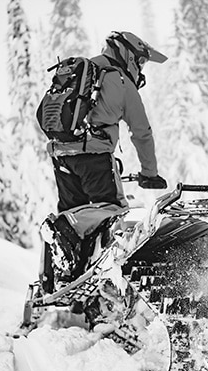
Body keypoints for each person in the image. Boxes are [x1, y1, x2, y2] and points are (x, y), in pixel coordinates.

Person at [41, 31, 168, 288]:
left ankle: (68, 276)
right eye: (141, 62)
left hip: (62, 156)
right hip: (94, 156)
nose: (141, 68)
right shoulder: (119, 80)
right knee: (113, 212)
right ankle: (60, 226)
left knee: (78, 218)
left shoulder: (85, 73)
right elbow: (141, 132)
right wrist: (149, 173)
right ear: (129, 54)